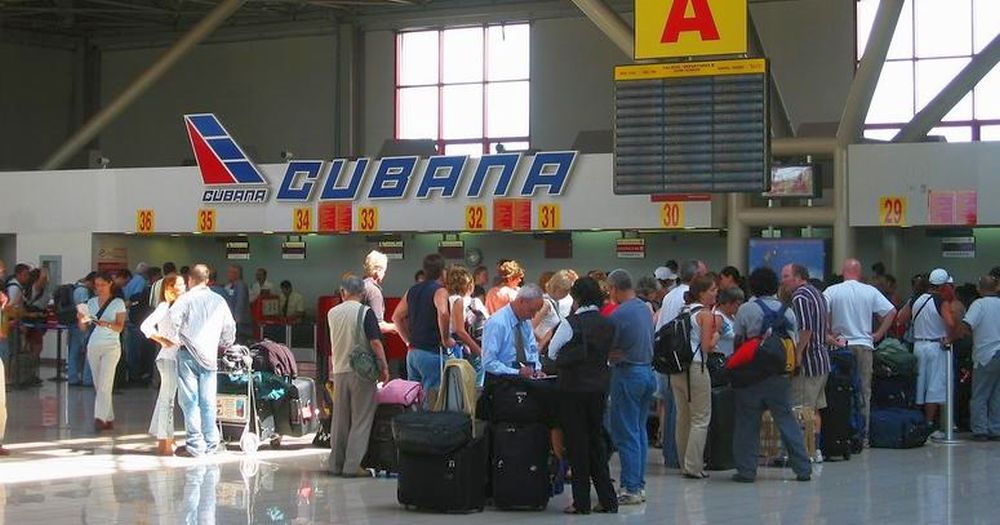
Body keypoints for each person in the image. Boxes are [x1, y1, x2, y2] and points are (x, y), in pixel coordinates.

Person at [731, 267, 811, 483]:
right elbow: (793, 344)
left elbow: (738, 342)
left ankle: (747, 471)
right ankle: (803, 468)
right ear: (776, 285)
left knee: (747, 423)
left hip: (751, 376)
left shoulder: (746, 309)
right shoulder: (788, 311)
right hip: (779, 376)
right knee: (786, 420)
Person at [549, 277, 618, 515]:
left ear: (576, 298)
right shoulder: (608, 323)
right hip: (599, 387)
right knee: (596, 441)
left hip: (572, 389)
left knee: (577, 445)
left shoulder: (572, 323)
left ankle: (581, 502)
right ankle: (608, 500)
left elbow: (552, 351)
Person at [823, 258, 896, 443]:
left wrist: (828, 332)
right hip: (864, 345)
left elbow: (820, 310)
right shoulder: (869, 291)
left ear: (843, 271)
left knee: (839, 389)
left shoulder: (832, 290)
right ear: (860, 272)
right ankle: (863, 436)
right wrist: (878, 334)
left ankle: (841, 432)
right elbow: (891, 311)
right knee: (864, 390)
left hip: (840, 346)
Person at [167, 264, 236, 457]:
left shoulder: (186, 299)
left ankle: (195, 444)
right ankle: (212, 443)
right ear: (208, 280)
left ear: (190, 279)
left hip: (187, 354)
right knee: (208, 401)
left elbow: (172, 321)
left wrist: (176, 339)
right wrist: (223, 345)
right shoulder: (219, 300)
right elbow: (229, 329)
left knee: (190, 401)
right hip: (210, 357)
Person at [327, 275, 389, 477]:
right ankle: (353, 465)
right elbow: (376, 342)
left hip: (339, 370)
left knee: (340, 420)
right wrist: (384, 367)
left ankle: (335, 464)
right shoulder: (365, 312)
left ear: (343, 292)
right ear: (362, 293)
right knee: (361, 418)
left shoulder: (332, 313)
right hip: (361, 372)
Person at [605, 269, 657, 505]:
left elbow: (609, 348)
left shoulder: (619, 315)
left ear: (614, 288)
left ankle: (630, 487)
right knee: (639, 431)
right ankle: (640, 484)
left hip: (627, 374)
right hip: (647, 372)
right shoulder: (644, 309)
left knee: (625, 433)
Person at [900, 268, 959, 437]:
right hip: (936, 346)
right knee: (935, 386)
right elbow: (950, 323)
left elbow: (900, 319)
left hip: (919, 345)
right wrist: (950, 337)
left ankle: (917, 421)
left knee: (919, 385)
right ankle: (930, 423)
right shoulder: (942, 301)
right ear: (943, 285)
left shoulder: (915, 299)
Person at [781, 263, 830, 463]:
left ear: (798, 277)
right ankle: (815, 449)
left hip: (809, 362)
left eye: (786, 276)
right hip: (822, 360)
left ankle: (804, 451)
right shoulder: (817, 294)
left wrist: (798, 353)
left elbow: (806, 329)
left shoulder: (800, 297)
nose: (782, 280)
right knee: (815, 408)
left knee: (801, 408)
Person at [671, 274, 718, 480]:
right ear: (702, 293)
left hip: (677, 369)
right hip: (697, 368)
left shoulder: (684, 311)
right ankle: (694, 465)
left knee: (683, 418)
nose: (715, 293)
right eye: (712, 290)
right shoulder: (706, 315)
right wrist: (717, 334)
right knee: (700, 418)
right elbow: (707, 346)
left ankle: (683, 462)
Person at [392, 254, 453, 404]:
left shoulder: (412, 291)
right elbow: (443, 313)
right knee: (432, 401)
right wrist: (445, 339)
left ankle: (413, 427)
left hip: (413, 354)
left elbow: (396, 317)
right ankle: (430, 427)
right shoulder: (440, 291)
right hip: (432, 353)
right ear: (442, 271)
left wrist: (408, 341)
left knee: (414, 399)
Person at [140, 274, 186, 456]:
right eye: (179, 285)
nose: (183, 288)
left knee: (165, 398)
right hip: (169, 357)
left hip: (173, 356)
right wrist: (161, 339)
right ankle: (164, 440)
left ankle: (165, 437)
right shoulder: (164, 306)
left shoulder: (178, 306)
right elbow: (145, 326)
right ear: (169, 288)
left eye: (183, 285)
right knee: (168, 399)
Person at [77, 271, 127, 432]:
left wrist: (107, 324)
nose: (99, 288)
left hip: (112, 345)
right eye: (97, 285)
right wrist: (81, 318)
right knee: (99, 384)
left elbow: (120, 327)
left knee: (105, 382)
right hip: (94, 345)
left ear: (110, 284)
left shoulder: (118, 302)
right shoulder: (90, 303)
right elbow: (84, 328)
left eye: (102, 285)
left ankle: (99, 417)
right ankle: (108, 417)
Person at [961, 275, 1000, 441]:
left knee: (980, 394)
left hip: (985, 354)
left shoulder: (979, 304)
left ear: (979, 288)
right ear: (997, 287)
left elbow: (966, 325)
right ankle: (996, 428)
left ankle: (980, 430)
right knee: (997, 394)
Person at [481, 284, 545, 380]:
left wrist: (536, 370)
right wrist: (516, 372)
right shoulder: (497, 323)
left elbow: (532, 350)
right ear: (521, 301)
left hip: (525, 378)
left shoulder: (526, 322)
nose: (533, 316)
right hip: (501, 380)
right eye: (532, 310)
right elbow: (489, 362)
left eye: (536, 311)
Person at [445, 265, 485, 387]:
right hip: (464, 347)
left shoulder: (445, 299)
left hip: (449, 346)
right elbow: (460, 330)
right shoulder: (461, 301)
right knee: (475, 381)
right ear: (469, 284)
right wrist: (478, 351)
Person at [533, 269, 578, 355]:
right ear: (557, 288)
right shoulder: (546, 304)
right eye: (565, 291)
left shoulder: (554, 303)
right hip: (541, 349)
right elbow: (529, 327)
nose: (566, 294)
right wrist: (542, 341)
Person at [67, 272, 96, 387]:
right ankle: (87, 378)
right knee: (85, 351)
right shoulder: (83, 291)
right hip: (80, 324)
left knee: (74, 350)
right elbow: (83, 309)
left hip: (74, 324)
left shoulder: (76, 288)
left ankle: (73, 377)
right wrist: (87, 323)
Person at [224, 264, 252, 340]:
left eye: (230, 272)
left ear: (236, 274)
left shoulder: (240, 285)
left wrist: (235, 322)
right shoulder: (230, 286)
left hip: (240, 325)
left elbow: (240, 304)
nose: (228, 274)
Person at [714, 286, 743, 358]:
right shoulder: (718, 317)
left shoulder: (733, 317)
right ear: (728, 303)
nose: (740, 307)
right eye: (738, 304)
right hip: (721, 360)